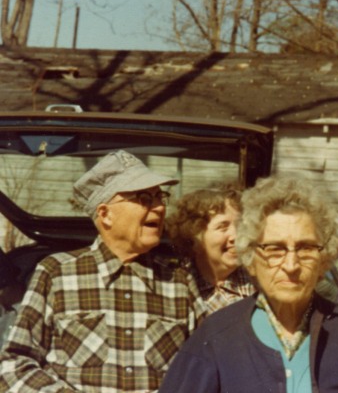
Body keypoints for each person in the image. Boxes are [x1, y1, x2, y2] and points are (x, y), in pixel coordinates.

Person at [160, 176, 338, 392]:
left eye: (306, 248)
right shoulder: (217, 336)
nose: (291, 265)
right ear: (250, 258)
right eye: (275, 249)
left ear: (323, 260)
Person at [0, 150, 205, 392]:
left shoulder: (179, 281)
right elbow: (14, 364)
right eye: (144, 198)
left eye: (160, 197)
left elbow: (207, 367)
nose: (160, 207)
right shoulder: (57, 273)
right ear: (105, 214)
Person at [166, 185, 255, 315]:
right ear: (194, 234)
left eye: (240, 226)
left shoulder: (257, 281)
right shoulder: (177, 285)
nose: (236, 236)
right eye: (222, 227)